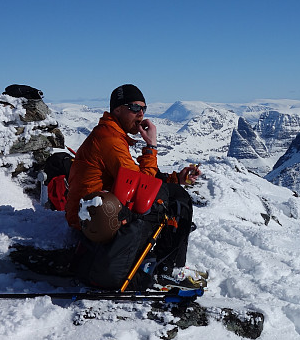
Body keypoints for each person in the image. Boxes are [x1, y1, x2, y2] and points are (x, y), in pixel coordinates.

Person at [65, 84, 205, 290]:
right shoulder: (110, 140)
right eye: (133, 108)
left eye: (143, 109)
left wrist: (177, 178)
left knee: (172, 192)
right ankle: (169, 270)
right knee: (176, 199)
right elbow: (143, 187)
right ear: (117, 110)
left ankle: (162, 264)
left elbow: (136, 178)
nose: (140, 114)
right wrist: (151, 147)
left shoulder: (111, 134)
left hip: (96, 215)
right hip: (95, 222)